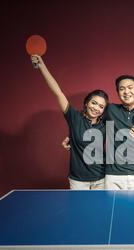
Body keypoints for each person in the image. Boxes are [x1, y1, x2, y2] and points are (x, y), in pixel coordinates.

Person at [62, 75, 134, 190]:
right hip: (113, 176)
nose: (126, 91)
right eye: (122, 89)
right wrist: (71, 136)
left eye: (130, 87)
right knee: (110, 208)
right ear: (118, 92)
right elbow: (91, 121)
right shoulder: (110, 110)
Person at [31, 55, 107, 190]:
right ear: (86, 103)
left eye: (101, 106)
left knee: (100, 211)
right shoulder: (74, 117)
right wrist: (42, 66)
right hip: (78, 181)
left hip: (101, 179)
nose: (96, 108)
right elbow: (58, 92)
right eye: (94, 103)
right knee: (79, 211)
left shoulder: (106, 124)